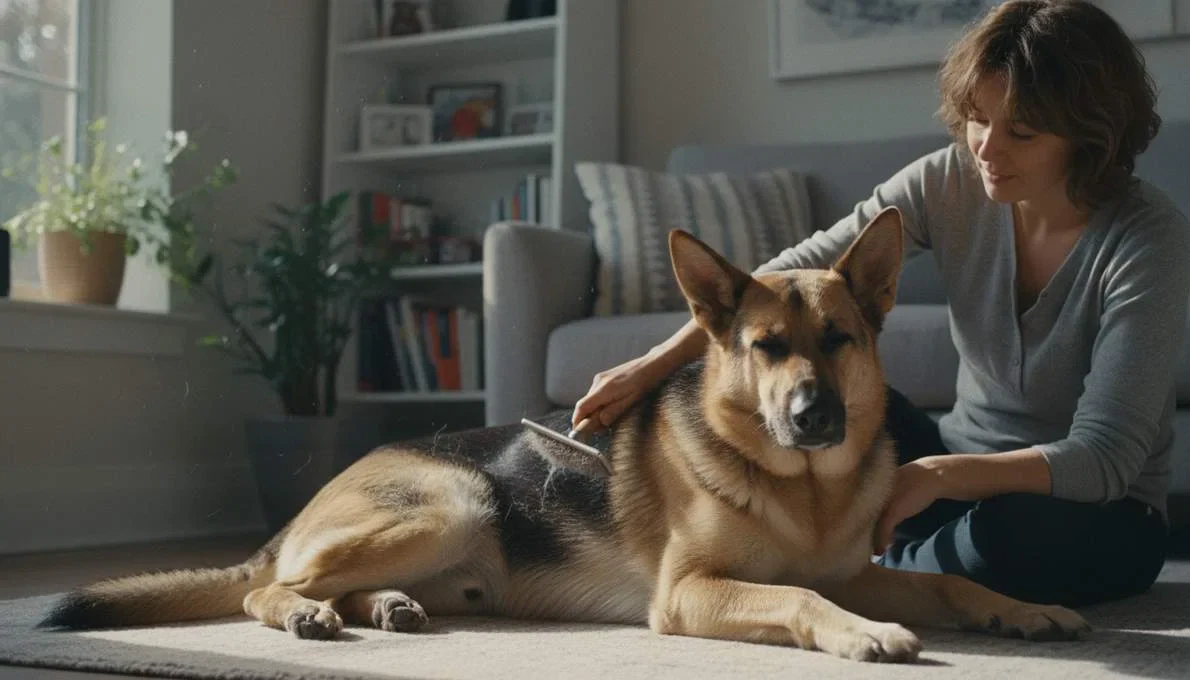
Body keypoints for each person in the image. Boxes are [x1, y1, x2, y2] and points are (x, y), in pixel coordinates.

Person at [570, 0, 1190, 609]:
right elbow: (784, 276)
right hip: (953, 459)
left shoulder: (1148, 241)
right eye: (977, 118)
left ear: (1090, 136)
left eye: (1020, 132)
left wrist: (936, 477)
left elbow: (1104, 458)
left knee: (1009, 543)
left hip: (1091, 507)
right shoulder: (949, 181)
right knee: (838, 392)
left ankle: (857, 566)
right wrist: (651, 364)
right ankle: (871, 558)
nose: (986, 149)